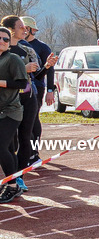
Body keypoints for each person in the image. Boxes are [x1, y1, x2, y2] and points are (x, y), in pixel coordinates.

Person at [1, 16, 40, 193]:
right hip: (7, 102)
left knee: (26, 138)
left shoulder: (25, 50)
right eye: (21, 27)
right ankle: (12, 179)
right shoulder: (4, 54)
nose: (25, 30)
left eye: (5, 39)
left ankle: (19, 179)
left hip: (25, 99)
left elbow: (29, 79)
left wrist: (46, 67)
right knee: (8, 144)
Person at [21, 16, 58, 163]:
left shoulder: (42, 47)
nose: (31, 33)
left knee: (33, 119)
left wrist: (50, 90)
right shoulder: (13, 45)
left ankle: (34, 152)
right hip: (20, 88)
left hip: (37, 87)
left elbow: (49, 70)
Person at [0, 26, 28, 203]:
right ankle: (14, 183)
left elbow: (22, 83)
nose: (2, 41)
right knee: (8, 149)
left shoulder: (13, 58)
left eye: (5, 39)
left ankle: (12, 186)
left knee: (0, 147)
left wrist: (1, 83)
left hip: (10, 111)